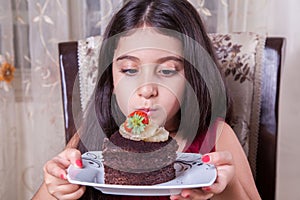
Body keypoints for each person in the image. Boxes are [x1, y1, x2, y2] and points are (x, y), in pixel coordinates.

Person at [32, 0, 261, 199]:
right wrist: (55, 188)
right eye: (130, 70)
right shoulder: (91, 134)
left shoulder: (216, 138)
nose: (146, 89)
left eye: (168, 71)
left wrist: (226, 187)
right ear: (111, 80)